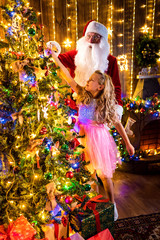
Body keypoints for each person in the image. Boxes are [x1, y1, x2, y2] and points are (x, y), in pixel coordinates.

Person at [50, 50, 135, 221]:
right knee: (90, 175)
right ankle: (95, 204)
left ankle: (111, 206)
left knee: (104, 175)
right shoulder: (82, 94)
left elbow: (117, 123)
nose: (87, 82)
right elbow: (67, 76)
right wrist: (54, 58)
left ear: (100, 86)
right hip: (83, 138)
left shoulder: (106, 103)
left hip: (99, 139)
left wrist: (128, 143)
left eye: (91, 81)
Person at [58, 20, 123, 120]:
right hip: (76, 107)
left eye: (96, 37)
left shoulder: (111, 60)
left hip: (100, 110)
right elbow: (58, 61)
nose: (91, 40)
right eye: (88, 36)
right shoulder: (75, 55)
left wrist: (116, 109)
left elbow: (116, 87)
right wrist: (51, 50)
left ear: (102, 40)